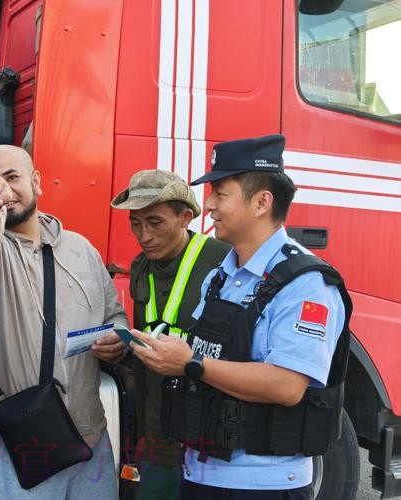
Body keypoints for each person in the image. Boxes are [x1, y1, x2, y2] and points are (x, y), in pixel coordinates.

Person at [130, 135, 350, 500]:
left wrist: (191, 363)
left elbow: (287, 385)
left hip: (262, 485)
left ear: (262, 202)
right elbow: (208, 348)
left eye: (221, 194)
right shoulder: (222, 274)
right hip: (201, 472)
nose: (209, 205)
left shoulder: (306, 283)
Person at [0, 144, 128, 499]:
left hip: (88, 437)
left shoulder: (81, 249)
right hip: (13, 440)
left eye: (12, 177)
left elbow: (114, 315)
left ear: (36, 181)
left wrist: (118, 340)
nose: (3, 189)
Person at [110, 170, 229, 499]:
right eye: (135, 224)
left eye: (155, 222)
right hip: (157, 437)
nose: (144, 235)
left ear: (185, 218)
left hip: (206, 438)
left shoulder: (223, 261)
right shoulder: (141, 267)